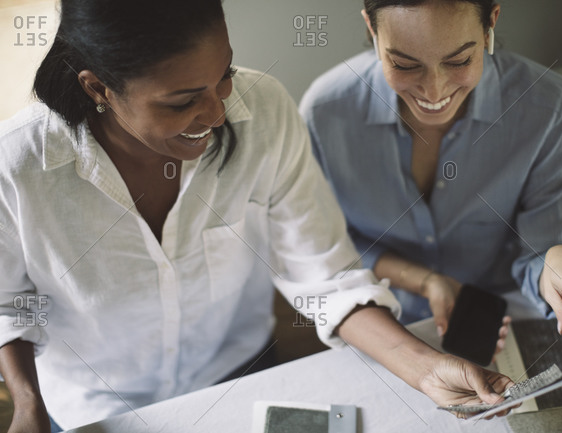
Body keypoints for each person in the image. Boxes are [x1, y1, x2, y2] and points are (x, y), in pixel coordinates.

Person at [0, 1, 517, 431]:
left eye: (223, 75)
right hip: (99, 410)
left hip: (243, 381)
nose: (218, 113)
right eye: (182, 102)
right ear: (98, 89)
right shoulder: (15, 166)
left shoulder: (264, 108)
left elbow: (325, 278)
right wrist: (27, 404)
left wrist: (426, 370)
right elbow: (10, 306)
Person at [299, 0, 562, 333]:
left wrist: (556, 260)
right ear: (372, 30)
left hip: (508, 306)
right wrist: (426, 282)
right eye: (404, 64)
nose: (434, 91)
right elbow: (329, 246)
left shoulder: (547, 106)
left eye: (459, 60)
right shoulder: (325, 114)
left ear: (490, 23)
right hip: (382, 312)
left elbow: (543, 247)